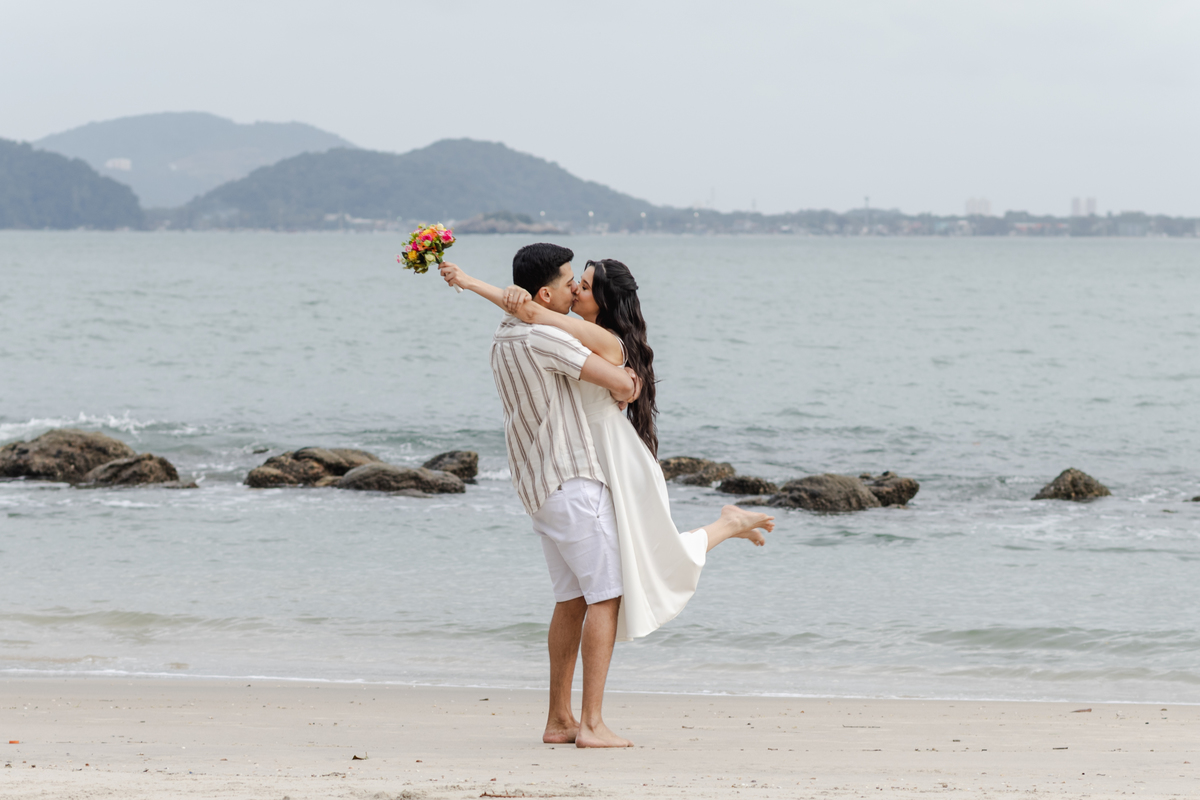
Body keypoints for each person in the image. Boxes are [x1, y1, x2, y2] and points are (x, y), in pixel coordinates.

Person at [439, 244, 773, 748]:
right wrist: (472, 284)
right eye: (573, 280)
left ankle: (559, 719)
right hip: (576, 476)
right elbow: (624, 382)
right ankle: (590, 724)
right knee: (608, 595)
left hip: (552, 483)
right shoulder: (547, 338)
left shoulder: (506, 336)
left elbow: (539, 318)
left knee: (575, 597)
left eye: (585, 284)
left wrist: (472, 283)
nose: (577, 287)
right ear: (547, 291)